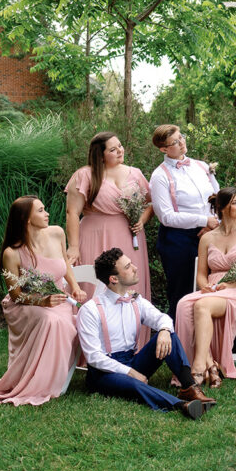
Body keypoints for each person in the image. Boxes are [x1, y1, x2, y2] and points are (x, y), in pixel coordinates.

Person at [0, 196, 85, 406]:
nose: (47, 213)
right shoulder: (11, 253)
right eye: (40, 211)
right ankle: (37, 382)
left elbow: (65, 263)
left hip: (58, 299)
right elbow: (16, 295)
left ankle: (52, 378)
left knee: (61, 322)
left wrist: (74, 287)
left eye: (44, 209)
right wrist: (42, 301)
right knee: (50, 321)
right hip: (26, 304)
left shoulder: (57, 233)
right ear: (27, 220)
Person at [77, 247, 215, 419]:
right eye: (127, 267)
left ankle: (189, 388)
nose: (135, 267)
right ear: (113, 279)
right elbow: (94, 358)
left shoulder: (135, 300)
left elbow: (162, 318)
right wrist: (130, 373)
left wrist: (164, 331)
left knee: (169, 335)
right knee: (133, 385)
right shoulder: (90, 310)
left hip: (133, 360)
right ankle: (181, 405)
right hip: (104, 372)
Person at [174, 188, 236, 385]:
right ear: (222, 208)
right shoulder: (207, 238)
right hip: (214, 290)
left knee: (202, 306)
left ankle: (197, 368)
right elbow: (201, 274)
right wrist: (205, 287)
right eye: (235, 203)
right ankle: (210, 365)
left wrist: (230, 283)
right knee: (183, 305)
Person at [66, 131, 154, 329]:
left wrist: (142, 218)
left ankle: (132, 344)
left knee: (130, 283)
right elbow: (72, 213)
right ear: (100, 154)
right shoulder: (85, 174)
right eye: (113, 149)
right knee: (94, 284)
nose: (120, 151)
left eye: (120, 146)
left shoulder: (135, 173)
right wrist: (73, 246)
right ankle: (92, 342)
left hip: (129, 238)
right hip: (94, 235)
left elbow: (152, 203)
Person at [149, 124, 220, 320]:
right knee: (182, 292)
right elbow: (166, 216)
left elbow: (217, 198)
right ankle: (180, 343)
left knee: (216, 285)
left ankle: (232, 341)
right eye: (175, 142)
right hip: (177, 240)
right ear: (163, 149)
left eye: (182, 137)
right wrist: (202, 219)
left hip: (209, 233)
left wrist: (212, 223)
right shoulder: (159, 176)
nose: (182, 143)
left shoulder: (201, 166)